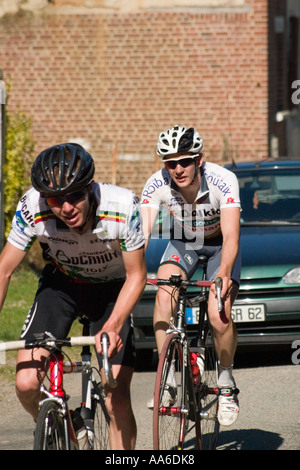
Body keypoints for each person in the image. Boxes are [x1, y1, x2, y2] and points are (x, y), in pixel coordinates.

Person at [0, 143, 147, 449]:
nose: (66, 208)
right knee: (27, 383)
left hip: (112, 291)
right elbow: (4, 271)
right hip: (62, 286)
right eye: (55, 199)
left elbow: (137, 275)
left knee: (114, 394)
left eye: (75, 196)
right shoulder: (32, 207)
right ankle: (63, 426)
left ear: (90, 188)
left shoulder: (122, 206)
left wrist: (114, 324)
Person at [141, 125, 241, 426]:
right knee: (163, 295)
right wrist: (132, 273)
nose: (178, 169)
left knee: (218, 311)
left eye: (185, 161)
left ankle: (226, 382)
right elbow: (141, 235)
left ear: (199, 160)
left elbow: (232, 238)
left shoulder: (223, 180)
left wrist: (222, 274)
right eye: (171, 162)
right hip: (184, 242)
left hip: (220, 243)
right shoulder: (156, 184)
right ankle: (168, 378)